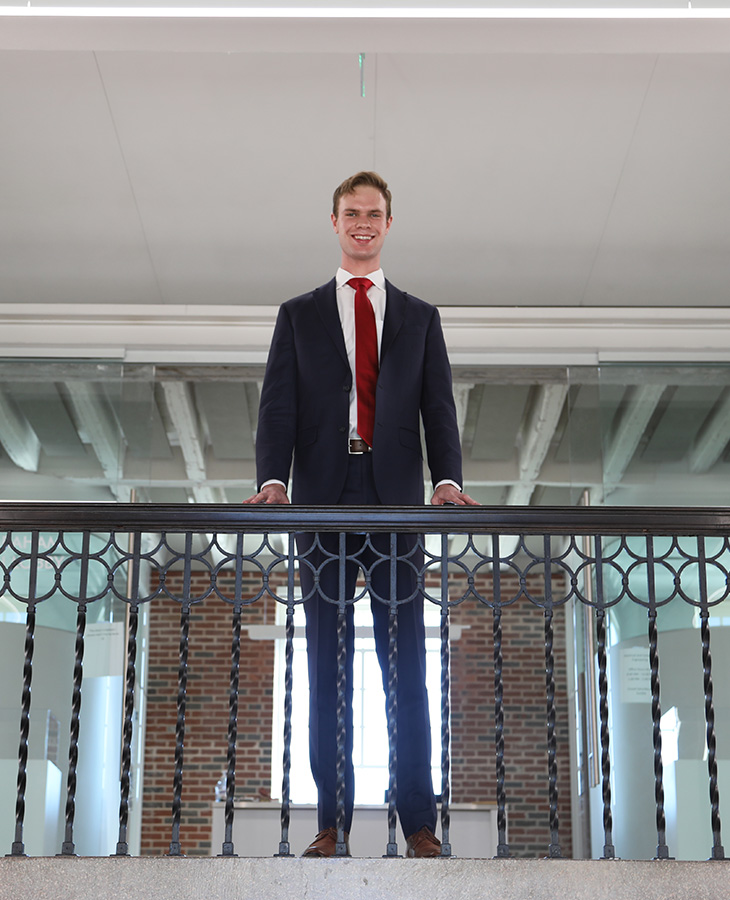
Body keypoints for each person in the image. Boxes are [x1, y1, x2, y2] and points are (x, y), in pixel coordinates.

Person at [245, 171, 477, 858]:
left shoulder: (420, 315)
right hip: (320, 497)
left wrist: (448, 480)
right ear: (334, 220)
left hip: (398, 501)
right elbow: (277, 405)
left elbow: (438, 407)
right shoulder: (299, 313)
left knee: (405, 664)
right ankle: (332, 823)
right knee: (326, 662)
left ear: (388, 223)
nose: (363, 224)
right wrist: (273, 480)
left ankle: (418, 824)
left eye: (374, 214)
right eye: (352, 213)